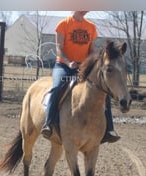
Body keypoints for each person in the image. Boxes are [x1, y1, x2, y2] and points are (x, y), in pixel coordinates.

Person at [41, 11, 120, 143]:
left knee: (103, 90)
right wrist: (68, 62)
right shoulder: (63, 24)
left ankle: (108, 129)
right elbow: (59, 49)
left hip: (83, 68)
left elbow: (91, 50)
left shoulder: (91, 27)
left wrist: (93, 63)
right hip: (63, 66)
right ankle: (49, 124)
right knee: (57, 87)